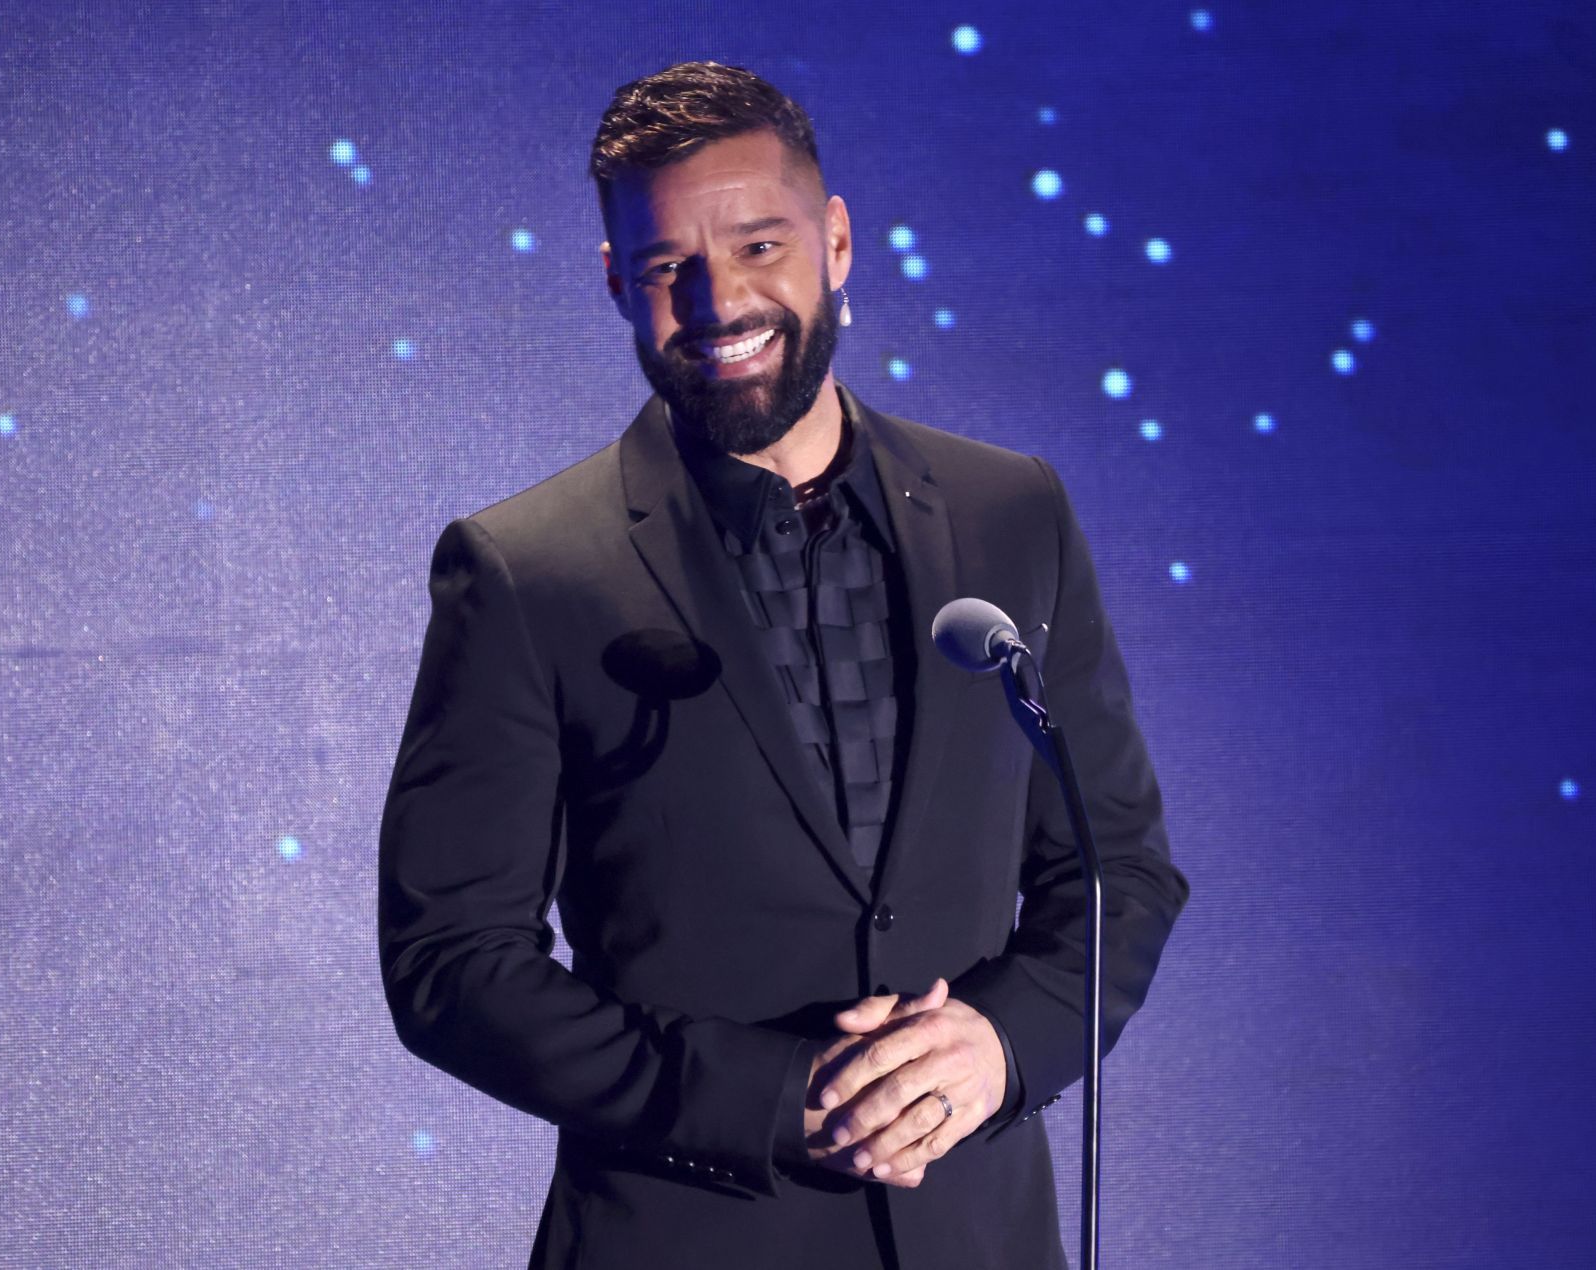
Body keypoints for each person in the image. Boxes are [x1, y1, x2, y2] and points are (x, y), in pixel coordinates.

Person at [378, 61, 1188, 1270]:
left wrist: (1004, 1046)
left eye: (760, 243)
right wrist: (763, 1097)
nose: (719, 299)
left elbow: (1118, 864)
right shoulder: (522, 572)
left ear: (840, 240)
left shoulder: (1012, 511)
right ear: (615, 282)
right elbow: (449, 962)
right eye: (666, 267)